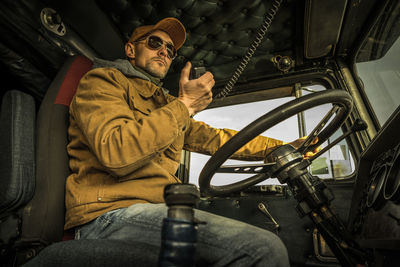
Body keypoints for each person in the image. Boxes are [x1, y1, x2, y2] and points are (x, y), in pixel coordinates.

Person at [65, 17, 316, 266]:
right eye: (155, 43)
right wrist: (184, 105)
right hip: (109, 215)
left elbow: (216, 139)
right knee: (261, 250)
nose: (164, 51)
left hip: (159, 209)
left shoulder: (164, 104)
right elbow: (116, 153)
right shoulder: (102, 81)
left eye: (170, 50)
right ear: (131, 49)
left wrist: (280, 147)